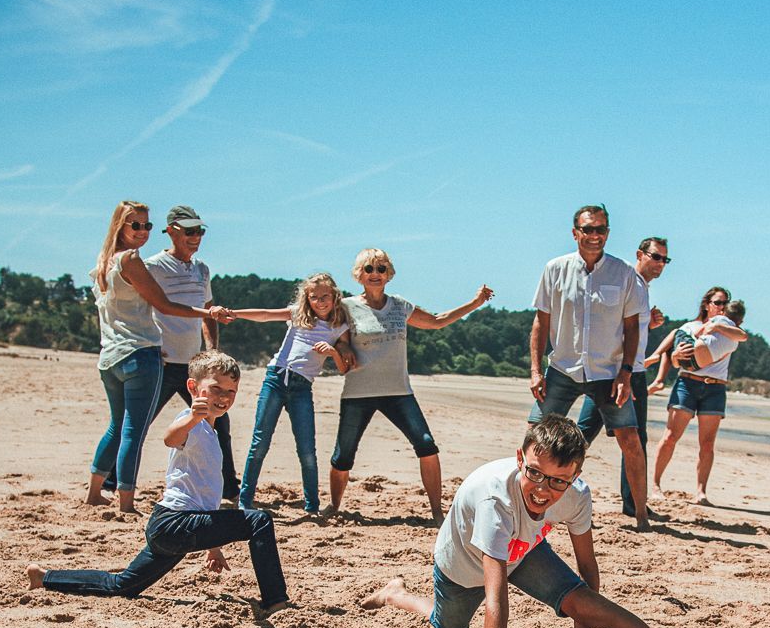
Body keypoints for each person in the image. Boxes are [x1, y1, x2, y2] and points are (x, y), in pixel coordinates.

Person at [361, 415, 705, 628]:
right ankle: (396, 594)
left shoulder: (577, 495)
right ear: (519, 459)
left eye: (558, 480)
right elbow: (496, 599)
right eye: (535, 474)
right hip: (462, 566)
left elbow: (587, 565)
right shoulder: (495, 499)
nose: (543, 489)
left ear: (575, 475)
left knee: (587, 603)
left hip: (524, 552)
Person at [27, 352, 289, 615]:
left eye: (231, 391)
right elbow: (170, 438)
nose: (223, 397)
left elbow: (205, 495)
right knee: (259, 521)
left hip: (169, 527)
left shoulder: (211, 431)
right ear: (193, 388)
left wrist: (214, 547)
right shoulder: (191, 421)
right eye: (216, 389)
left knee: (122, 585)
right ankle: (275, 600)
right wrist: (192, 419)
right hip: (176, 523)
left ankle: (44, 577)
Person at [327, 248, 493, 521]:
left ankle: (438, 513)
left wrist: (475, 303)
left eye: (381, 268)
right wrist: (343, 346)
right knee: (343, 455)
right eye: (369, 269)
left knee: (427, 445)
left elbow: (437, 322)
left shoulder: (400, 306)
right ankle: (334, 507)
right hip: (359, 392)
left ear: (389, 274)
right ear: (359, 274)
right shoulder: (346, 306)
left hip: (398, 392)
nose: (375, 274)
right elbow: (338, 335)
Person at [87, 200, 231, 515]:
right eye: (135, 225)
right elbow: (164, 305)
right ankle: (125, 500)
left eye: (146, 225)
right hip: (141, 353)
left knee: (117, 426)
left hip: (110, 355)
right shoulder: (135, 262)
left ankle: (95, 492)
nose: (142, 231)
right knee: (132, 431)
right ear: (120, 227)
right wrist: (209, 312)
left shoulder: (105, 262)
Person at [529, 206, 652, 530]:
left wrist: (626, 372)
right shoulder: (555, 269)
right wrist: (535, 370)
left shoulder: (624, 273)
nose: (594, 235)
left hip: (608, 373)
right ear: (575, 233)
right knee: (534, 435)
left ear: (607, 233)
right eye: (588, 229)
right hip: (563, 368)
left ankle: (641, 515)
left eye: (600, 229)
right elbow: (540, 323)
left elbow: (632, 328)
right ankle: (525, 505)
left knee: (631, 439)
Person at [230, 273, 354, 516]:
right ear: (307, 298)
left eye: (325, 296)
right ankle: (245, 501)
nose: (320, 301)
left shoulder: (339, 326)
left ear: (335, 296)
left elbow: (344, 367)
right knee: (260, 442)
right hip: (276, 378)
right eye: (314, 297)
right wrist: (234, 313)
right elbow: (265, 315)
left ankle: (312, 507)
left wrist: (332, 352)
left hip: (302, 388)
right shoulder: (298, 314)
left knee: (307, 449)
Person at [576, 236, 670, 518]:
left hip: (623, 371)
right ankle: (632, 504)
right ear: (640, 254)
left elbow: (629, 331)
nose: (661, 264)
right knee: (630, 439)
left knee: (586, 435)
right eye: (656, 257)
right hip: (621, 373)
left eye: (665, 260)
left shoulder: (641, 287)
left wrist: (649, 325)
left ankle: (632, 503)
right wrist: (623, 371)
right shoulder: (627, 280)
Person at [647, 286, 748, 505]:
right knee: (671, 437)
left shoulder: (728, 329)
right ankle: (655, 485)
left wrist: (718, 326)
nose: (721, 307)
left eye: (725, 303)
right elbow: (677, 362)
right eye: (717, 303)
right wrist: (673, 356)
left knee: (707, 443)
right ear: (707, 304)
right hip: (687, 384)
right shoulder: (690, 327)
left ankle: (701, 491)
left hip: (715, 388)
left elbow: (742, 337)